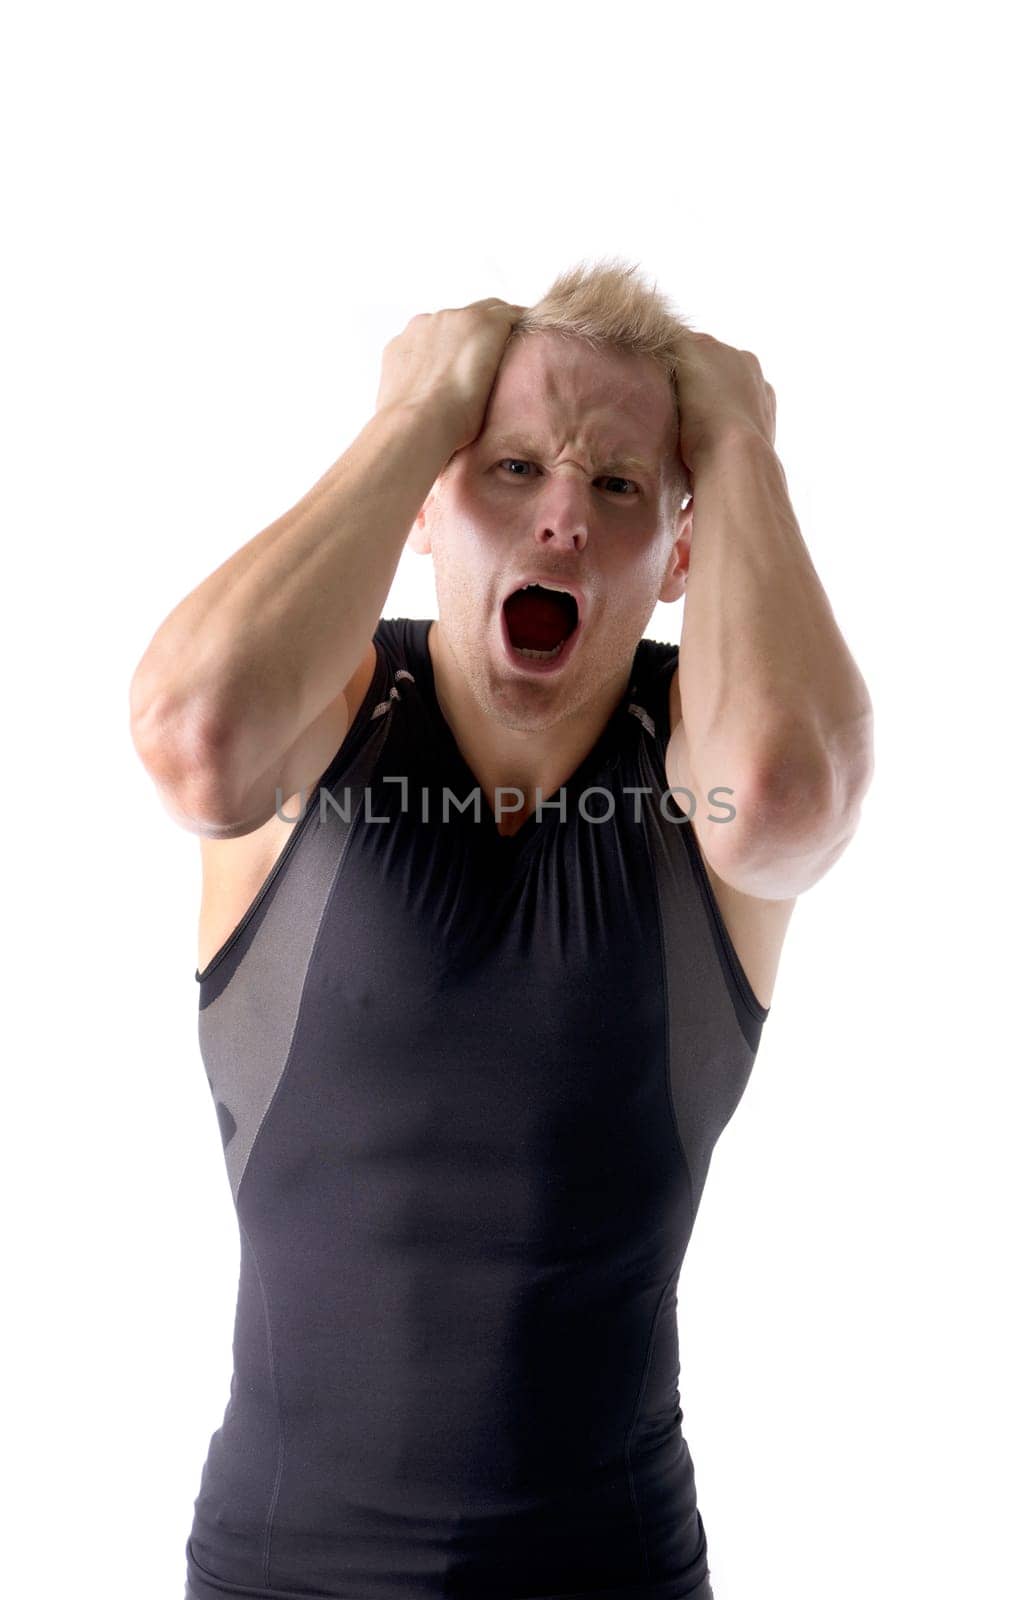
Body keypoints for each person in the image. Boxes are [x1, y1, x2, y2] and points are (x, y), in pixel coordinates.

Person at [130, 260, 873, 1600]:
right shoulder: (328, 712)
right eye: (515, 467)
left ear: (683, 553)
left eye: (620, 486)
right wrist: (416, 414)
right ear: (432, 504)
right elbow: (196, 736)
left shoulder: (701, 760)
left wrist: (742, 441)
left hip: (616, 1571)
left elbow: (783, 802)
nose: (563, 523)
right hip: (286, 1571)